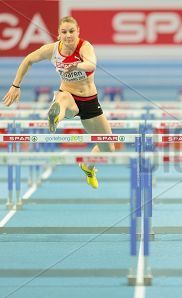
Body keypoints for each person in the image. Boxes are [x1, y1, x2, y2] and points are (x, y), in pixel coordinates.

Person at [2, 16, 114, 189]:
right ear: (58, 34)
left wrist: (77, 66)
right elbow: (28, 60)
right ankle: (55, 116)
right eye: (64, 32)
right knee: (62, 99)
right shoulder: (52, 50)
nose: (68, 35)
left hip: (90, 101)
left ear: (78, 31)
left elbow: (91, 65)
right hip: (69, 96)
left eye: (71, 31)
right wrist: (15, 85)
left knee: (109, 149)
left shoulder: (85, 47)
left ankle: (88, 166)